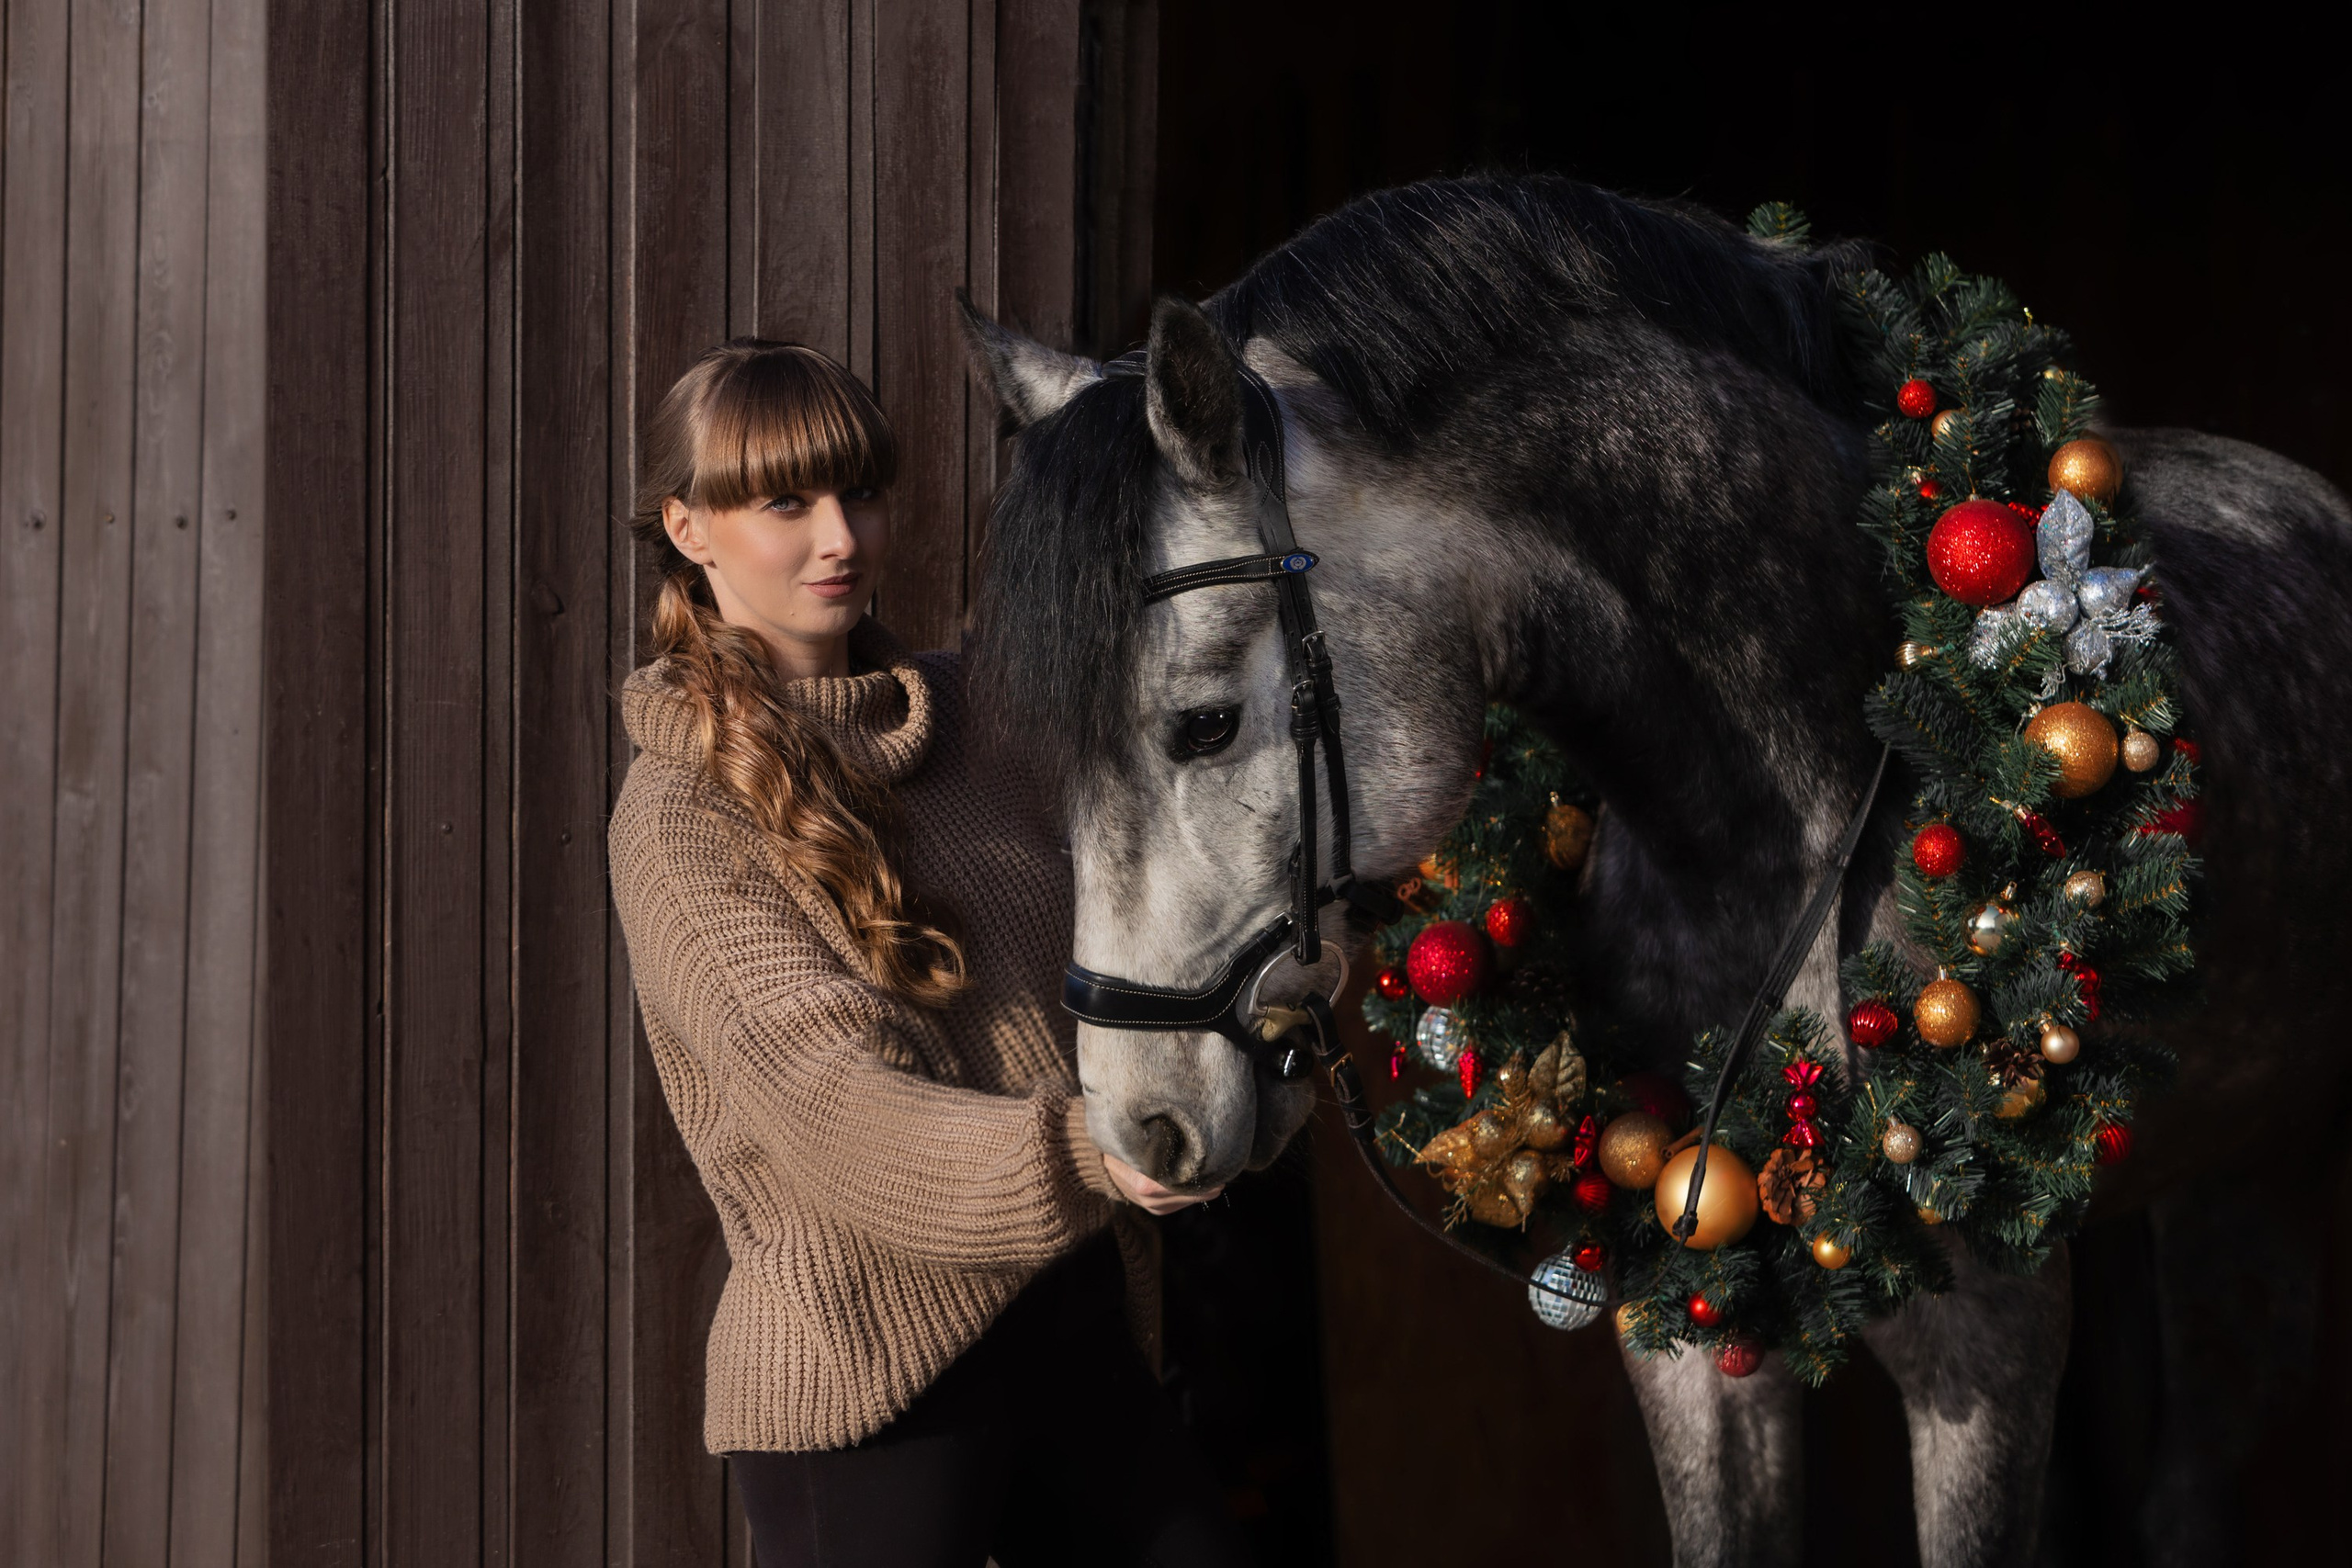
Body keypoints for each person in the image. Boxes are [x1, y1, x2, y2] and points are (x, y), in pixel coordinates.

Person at [607, 339, 1248, 1568]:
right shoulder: (682, 816)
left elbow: (1174, 879)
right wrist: (1097, 1148)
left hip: (1072, 1319)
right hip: (868, 1378)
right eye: (786, 502)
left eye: (862, 493)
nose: (840, 536)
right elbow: (836, 1113)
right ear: (690, 527)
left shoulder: (986, 719)